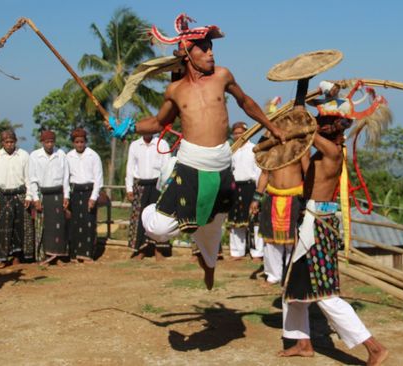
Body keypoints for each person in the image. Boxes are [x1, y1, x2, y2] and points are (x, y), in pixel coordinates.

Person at [111, 14, 285, 290]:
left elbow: (246, 102)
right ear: (187, 55)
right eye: (203, 47)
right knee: (158, 229)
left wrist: (271, 126)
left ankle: (209, 264)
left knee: (213, 226)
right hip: (191, 164)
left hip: (221, 163)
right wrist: (129, 127)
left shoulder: (223, 75)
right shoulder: (175, 90)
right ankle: (154, 211)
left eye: (211, 47)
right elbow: (158, 123)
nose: (210, 52)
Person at [279, 118, 388, 365]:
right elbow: (304, 153)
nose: (319, 126)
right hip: (310, 219)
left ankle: (374, 347)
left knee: (324, 294)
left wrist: (298, 120)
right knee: (293, 291)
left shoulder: (332, 151)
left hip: (318, 225)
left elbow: (304, 132)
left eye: (324, 124)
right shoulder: (320, 152)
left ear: (336, 129)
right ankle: (303, 343)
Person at [250, 149, 308, 284]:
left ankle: (291, 275)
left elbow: (308, 173)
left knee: (293, 241)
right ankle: (273, 276)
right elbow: (264, 174)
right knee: (270, 241)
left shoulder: (301, 149)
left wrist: (307, 198)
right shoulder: (270, 150)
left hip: (295, 199)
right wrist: (256, 198)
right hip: (272, 198)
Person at [0, 130, 34, 268]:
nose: (9, 144)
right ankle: (2, 258)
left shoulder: (23, 155)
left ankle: (16, 257)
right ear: (2, 143)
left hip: (20, 194)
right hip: (3, 195)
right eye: (6, 142)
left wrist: (29, 195)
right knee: (4, 227)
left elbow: (29, 177)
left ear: (15, 141)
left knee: (19, 227)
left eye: (12, 141)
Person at [125, 133, 171, 260]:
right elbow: (130, 167)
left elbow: (167, 166)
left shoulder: (162, 143)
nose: (147, 132)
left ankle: (159, 250)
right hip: (140, 185)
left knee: (160, 217)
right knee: (139, 218)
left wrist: (166, 187)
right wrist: (129, 188)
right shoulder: (135, 145)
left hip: (158, 184)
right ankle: (141, 249)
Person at [29, 130, 70, 265]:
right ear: (42, 142)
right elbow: (32, 179)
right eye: (47, 142)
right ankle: (44, 256)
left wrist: (66, 195)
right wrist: (35, 198)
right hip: (43, 195)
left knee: (58, 227)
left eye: (52, 141)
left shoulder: (61, 154)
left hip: (58, 194)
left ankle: (58, 257)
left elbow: (65, 177)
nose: (49, 144)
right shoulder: (35, 156)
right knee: (43, 227)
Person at [66, 128, 103, 263]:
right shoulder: (68, 156)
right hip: (74, 192)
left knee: (88, 223)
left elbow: (98, 179)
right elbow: (65, 178)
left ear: (86, 142)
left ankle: (87, 254)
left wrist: (93, 197)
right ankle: (74, 254)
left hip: (89, 192)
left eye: (82, 142)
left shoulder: (93, 156)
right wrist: (66, 196)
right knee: (74, 223)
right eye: (77, 142)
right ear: (73, 143)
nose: (80, 144)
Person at [227, 122, 263, 260]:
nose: (238, 135)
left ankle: (257, 253)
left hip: (251, 186)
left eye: (240, 132)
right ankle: (237, 252)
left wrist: (259, 190)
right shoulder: (231, 150)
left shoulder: (254, 149)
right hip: (235, 187)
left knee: (254, 220)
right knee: (236, 220)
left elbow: (259, 171)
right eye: (235, 133)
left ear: (247, 133)